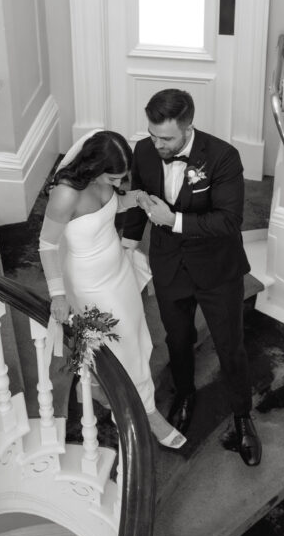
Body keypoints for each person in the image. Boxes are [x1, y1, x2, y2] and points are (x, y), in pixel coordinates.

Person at [122, 89, 262, 466]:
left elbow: (230, 220)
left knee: (229, 343)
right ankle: (184, 393)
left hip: (217, 269)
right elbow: (139, 198)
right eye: (152, 134)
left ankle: (242, 415)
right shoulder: (145, 151)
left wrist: (175, 220)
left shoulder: (223, 157)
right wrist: (128, 243)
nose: (157, 144)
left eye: (165, 138)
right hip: (169, 264)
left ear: (188, 127)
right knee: (177, 337)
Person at [38, 129, 187, 450]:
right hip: (90, 283)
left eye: (123, 178)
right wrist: (58, 294)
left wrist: (137, 198)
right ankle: (146, 411)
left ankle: (93, 385)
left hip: (118, 271)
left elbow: (113, 204)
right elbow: (47, 244)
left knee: (134, 330)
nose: (119, 183)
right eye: (114, 177)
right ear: (93, 167)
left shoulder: (104, 184)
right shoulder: (66, 194)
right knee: (124, 343)